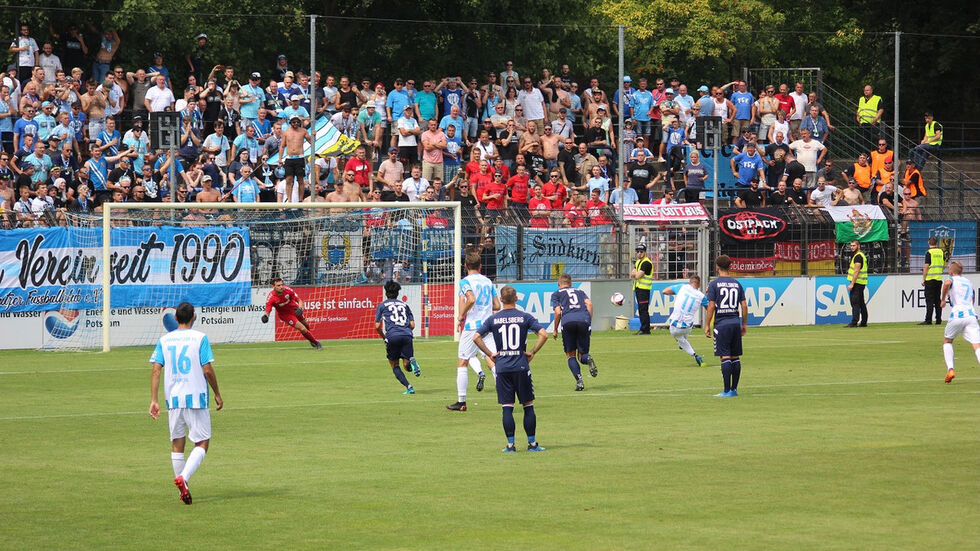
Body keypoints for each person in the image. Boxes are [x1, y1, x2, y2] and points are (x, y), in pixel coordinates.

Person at [148, 302, 224, 506]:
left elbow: (156, 370)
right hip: (196, 398)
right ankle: (184, 478)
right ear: (193, 317)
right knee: (203, 442)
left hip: (173, 400)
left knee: (177, 445)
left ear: (175, 318)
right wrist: (217, 393)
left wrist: (154, 400)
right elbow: (207, 369)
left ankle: (182, 490)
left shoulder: (164, 340)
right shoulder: (200, 338)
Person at [472, 284, 549, 453]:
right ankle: (532, 444)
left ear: (500, 299)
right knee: (528, 405)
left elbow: (476, 337)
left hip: (503, 367)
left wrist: (490, 354)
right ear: (516, 298)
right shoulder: (525, 317)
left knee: (507, 407)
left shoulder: (493, 319)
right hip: (521, 365)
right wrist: (533, 352)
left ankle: (510, 445)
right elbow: (544, 334)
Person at [447, 252, 501, 412]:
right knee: (493, 358)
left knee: (463, 361)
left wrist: (461, 315)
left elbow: (470, 299)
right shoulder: (488, 282)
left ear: (465, 266)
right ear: (480, 266)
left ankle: (461, 402)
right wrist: (485, 309)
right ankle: (505, 396)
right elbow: (497, 305)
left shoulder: (465, 282)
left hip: (472, 327)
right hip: (487, 326)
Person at [704, 255, 748, 397]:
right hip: (735, 322)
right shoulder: (736, 283)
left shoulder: (714, 284)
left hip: (722, 324)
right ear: (730, 266)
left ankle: (726, 390)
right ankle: (734, 389)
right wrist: (744, 323)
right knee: (735, 357)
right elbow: (744, 304)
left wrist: (707, 324)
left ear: (717, 267)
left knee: (725, 356)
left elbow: (711, 306)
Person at [551, 273, 597, 391]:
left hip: (568, 322)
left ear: (558, 284)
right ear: (571, 283)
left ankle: (580, 381)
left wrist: (555, 329)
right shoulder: (580, 291)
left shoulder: (556, 294)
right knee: (582, 355)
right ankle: (588, 359)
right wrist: (588, 321)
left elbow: (557, 312)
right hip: (583, 320)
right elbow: (589, 304)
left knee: (570, 355)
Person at [374, 280, 422, 395]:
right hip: (407, 335)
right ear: (397, 293)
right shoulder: (405, 305)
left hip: (392, 336)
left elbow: (377, 326)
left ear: (386, 293)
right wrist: (405, 333)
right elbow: (412, 325)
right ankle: (411, 360)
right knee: (407, 366)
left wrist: (384, 337)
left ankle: (409, 387)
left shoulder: (382, 306)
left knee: (395, 365)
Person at [939, 261, 980, 383]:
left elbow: (946, 283)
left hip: (957, 315)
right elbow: (972, 299)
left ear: (951, 272)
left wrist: (942, 299)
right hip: (971, 315)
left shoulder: (951, 279)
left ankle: (950, 369)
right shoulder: (968, 282)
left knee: (948, 341)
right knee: (977, 345)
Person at [261, 276, 322, 349]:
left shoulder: (287, 290)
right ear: (273, 286)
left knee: (305, 324)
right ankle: (316, 343)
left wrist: (300, 308)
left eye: (281, 284)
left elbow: (299, 300)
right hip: (285, 315)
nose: (281, 287)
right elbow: (268, 310)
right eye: (278, 285)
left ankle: (311, 339)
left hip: (294, 309)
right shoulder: (271, 297)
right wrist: (265, 316)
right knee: (302, 328)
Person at [663, 274, 709, 367]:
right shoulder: (701, 296)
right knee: (688, 323)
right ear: (699, 285)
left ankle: (695, 355)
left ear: (689, 282)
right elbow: (710, 309)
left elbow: (664, 291)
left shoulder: (682, 287)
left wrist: (676, 293)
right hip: (688, 327)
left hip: (674, 326)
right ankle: (682, 342)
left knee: (679, 337)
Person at [277, 115, 312, 203]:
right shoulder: (286, 132)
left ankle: (300, 200)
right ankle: (289, 200)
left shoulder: (303, 131)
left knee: (300, 179)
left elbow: (312, 141)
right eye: (294, 122)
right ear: (290, 122)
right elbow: (282, 146)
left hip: (299, 158)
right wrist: (280, 159)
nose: (296, 123)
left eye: (297, 122)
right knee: (289, 179)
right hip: (289, 158)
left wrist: (314, 135)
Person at [921, 236, 946, 325]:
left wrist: (923, 279)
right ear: (937, 243)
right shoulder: (941, 252)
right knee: (937, 300)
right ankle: (938, 319)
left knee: (929, 300)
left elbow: (926, 266)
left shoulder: (929, 252)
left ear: (929, 243)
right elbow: (943, 264)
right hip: (938, 279)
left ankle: (928, 320)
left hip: (930, 279)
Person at [630, 243, 654, 334]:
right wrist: (636, 273)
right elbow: (632, 274)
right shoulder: (638, 262)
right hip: (638, 288)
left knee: (643, 309)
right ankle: (643, 328)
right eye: (638, 251)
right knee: (641, 309)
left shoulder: (646, 263)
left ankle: (645, 329)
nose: (639, 253)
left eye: (641, 251)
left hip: (644, 289)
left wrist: (636, 273)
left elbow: (637, 276)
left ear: (645, 252)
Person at [846, 240, 868, 328]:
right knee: (861, 302)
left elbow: (856, 271)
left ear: (858, 246)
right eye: (851, 245)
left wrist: (852, 283)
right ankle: (864, 322)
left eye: (853, 245)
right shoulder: (859, 255)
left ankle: (854, 322)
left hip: (857, 283)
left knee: (855, 303)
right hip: (861, 282)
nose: (852, 247)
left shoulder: (858, 256)